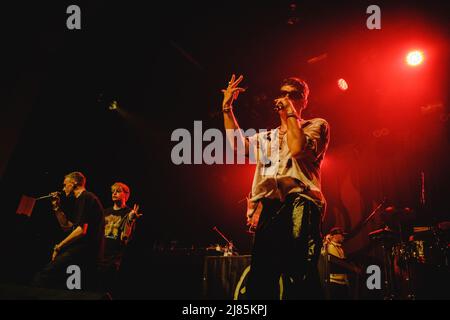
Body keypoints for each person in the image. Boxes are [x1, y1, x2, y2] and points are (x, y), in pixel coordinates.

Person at [222, 74, 330, 299]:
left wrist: (290, 112)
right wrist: (227, 110)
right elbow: (238, 146)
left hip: (302, 201)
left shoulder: (316, 125)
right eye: (283, 94)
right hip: (271, 207)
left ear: (304, 101)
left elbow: (298, 148)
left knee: (299, 271)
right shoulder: (267, 137)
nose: (286, 98)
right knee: (261, 274)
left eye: (293, 95)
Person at [32, 172, 105, 290]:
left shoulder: (87, 197)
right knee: (65, 284)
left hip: (86, 251)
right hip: (80, 250)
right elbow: (67, 227)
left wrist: (59, 246)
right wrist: (56, 207)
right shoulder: (80, 200)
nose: (63, 188)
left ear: (74, 183)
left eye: (65, 184)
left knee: (45, 274)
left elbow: (82, 230)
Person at [98, 182, 142, 294]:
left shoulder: (129, 213)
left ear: (126, 195)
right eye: (113, 191)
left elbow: (125, 239)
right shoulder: (105, 212)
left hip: (114, 259)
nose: (114, 193)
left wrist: (130, 220)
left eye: (118, 191)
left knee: (109, 291)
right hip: (100, 257)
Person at [319, 227, 352, 299]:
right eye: (341, 235)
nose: (343, 237)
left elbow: (343, 265)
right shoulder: (329, 246)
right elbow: (325, 256)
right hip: (334, 283)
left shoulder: (340, 248)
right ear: (335, 236)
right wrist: (326, 240)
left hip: (343, 283)